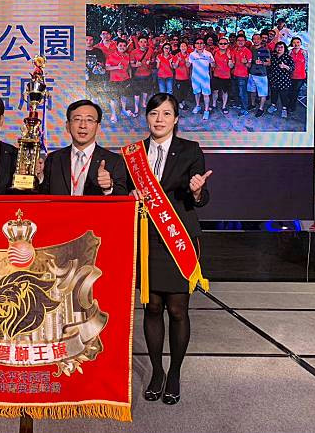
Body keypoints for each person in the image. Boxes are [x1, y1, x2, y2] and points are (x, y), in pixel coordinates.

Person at [133, 93, 211, 406]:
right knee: (152, 308)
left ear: (176, 119)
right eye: (154, 113)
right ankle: (157, 371)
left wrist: (197, 192)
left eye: (166, 113)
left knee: (178, 310)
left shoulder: (190, 150)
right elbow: (124, 192)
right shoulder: (134, 154)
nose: (159, 119)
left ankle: (175, 372)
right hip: (146, 240)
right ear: (147, 117)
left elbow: (201, 199)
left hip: (177, 238)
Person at [38, 100, 128, 195]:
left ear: (98, 127)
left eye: (89, 120)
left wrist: (108, 187)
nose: (83, 126)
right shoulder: (53, 159)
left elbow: (123, 196)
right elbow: (43, 195)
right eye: (77, 119)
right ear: (67, 126)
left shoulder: (114, 161)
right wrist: (39, 178)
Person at [105, 39, 134, 122]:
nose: (122, 47)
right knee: (113, 98)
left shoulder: (127, 55)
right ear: (117, 46)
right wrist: (116, 67)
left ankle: (123, 110)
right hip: (114, 80)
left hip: (125, 79)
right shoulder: (111, 56)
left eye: (124, 46)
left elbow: (129, 67)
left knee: (124, 96)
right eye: (120, 45)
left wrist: (130, 77)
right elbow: (107, 67)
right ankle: (113, 114)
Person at [188, 38, 215, 120]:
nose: (199, 45)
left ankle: (206, 111)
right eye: (197, 43)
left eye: (201, 43)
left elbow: (213, 65)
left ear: (204, 45)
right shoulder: (192, 54)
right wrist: (186, 61)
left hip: (205, 78)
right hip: (195, 78)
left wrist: (212, 61)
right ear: (195, 45)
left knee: (206, 94)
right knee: (197, 93)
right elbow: (188, 65)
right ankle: (198, 106)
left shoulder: (208, 54)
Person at [268, 41, 295, 118]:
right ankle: (273, 106)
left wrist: (285, 66)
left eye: (281, 47)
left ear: (284, 48)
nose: (279, 48)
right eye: (278, 47)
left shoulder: (288, 57)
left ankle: (284, 109)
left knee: (284, 96)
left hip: (284, 81)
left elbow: (292, 68)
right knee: (274, 94)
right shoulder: (272, 56)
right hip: (274, 79)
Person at [247, 33, 271, 117]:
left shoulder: (265, 50)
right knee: (252, 91)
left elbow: (269, 63)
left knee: (262, 93)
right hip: (251, 73)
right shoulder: (251, 48)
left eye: (258, 39)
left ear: (261, 40)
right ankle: (253, 104)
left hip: (261, 75)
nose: (256, 40)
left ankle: (261, 108)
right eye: (254, 39)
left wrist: (262, 62)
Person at [130, 36, 155, 115]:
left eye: (145, 42)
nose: (143, 44)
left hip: (148, 74)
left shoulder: (150, 50)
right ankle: (136, 107)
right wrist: (136, 65)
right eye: (141, 42)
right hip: (137, 75)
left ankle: (144, 103)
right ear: (138, 43)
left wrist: (150, 62)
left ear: (147, 42)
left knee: (146, 90)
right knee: (136, 92)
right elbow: (131, 64)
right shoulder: (133, 52)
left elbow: (153, 60)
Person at [231, 35, 252, 114]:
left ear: (245, 41)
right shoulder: (234, 50)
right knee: (235, 91)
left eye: (242, 40)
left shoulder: (247, 51)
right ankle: (238, 104)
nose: (240, 42)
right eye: (238, 40)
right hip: (234, 74)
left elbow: (249, 65)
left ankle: (245, 109)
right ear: (236, 41)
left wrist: (246, 62)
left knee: (243, 93)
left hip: (243, 75)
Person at [211, 38, 233, 114]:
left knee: (225, 92)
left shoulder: (230, 53)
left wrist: (229, 58)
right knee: (215, 91)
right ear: (218, 44)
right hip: (216, 75)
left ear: (228, 44)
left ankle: (224, 106)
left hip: (226, 76)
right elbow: (212, 63)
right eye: (221, 43)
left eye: (225, 43)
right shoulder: (215, 52)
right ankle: (214, 105)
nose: (223, 45)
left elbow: (231, 66)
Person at [85, 35, 107, 104]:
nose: (88, 41)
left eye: (91, 40)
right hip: (83, 78)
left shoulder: (98, 51)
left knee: (95, 97)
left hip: (96, 78)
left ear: (93, 41)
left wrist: (99, 65)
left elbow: (102, 63)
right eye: (86, 40)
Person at [288, 37, 307, 114]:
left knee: (295, 91)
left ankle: (292, 106)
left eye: (298, 42)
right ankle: (289, 105)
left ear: (301, 43)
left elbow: (308, 63)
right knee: (290, 91)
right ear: (292, 43)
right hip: (290, 75)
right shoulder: (289, 52)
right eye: (294, 42)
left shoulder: (304, 52)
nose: (296, 44)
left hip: (301, 76)